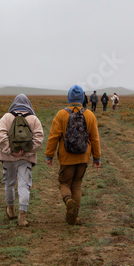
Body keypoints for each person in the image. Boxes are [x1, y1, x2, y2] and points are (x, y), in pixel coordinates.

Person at [45, 85, 101, 225]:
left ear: (69, 97)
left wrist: (49, 155)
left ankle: (68, 201)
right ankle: (75, 217)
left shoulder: (61, 114)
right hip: (83, 156)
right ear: (82, 97)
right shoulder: (89, 115)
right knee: (77, 184)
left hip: (66, 157)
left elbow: (53, 137)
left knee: (64, 183)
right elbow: (94, 138)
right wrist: (97, 157)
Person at [0, 94, 44, 227]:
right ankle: (22, 216)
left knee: (9, 184)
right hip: (26, 159)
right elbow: (39, 137)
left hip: (8, 158)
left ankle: (11, 210)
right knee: (24, 185)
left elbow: (0, 135)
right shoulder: (33, 119)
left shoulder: (7, 117)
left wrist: (10, 151)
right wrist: (27, 152)